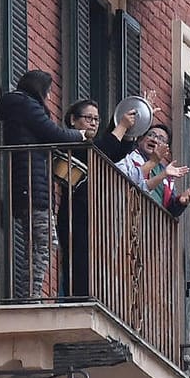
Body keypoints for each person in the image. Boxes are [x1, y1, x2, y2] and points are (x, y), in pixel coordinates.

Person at [0, 71, 90, 298]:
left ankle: (29, 293)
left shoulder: (21, 106)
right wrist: (80, 136)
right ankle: (30, 295)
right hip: (32, 188)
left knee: (37, 243)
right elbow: (54, 133)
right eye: (47, 91)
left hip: (30, 185)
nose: (48, 97)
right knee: (45, 243)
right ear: (40, 88)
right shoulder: (27, 105)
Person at [56, 98, 153, 295]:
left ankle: (92, 296)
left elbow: (114, 154)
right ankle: (77, 299)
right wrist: (122, 126)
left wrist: (129, 132)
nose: (93, 122)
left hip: (95, 211)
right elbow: (100, 152)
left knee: (96, 261)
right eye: (88, 118)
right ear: (73, 120)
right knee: (78, 261)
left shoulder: (91, 144)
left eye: (96, 119)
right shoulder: (71, 140)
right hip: (76, 212)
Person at [118, 124, 190, 214]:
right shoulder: (128, 157)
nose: (154, 140)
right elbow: (123, 182)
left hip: (152, 224)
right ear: (140, 139)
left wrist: (180, 202)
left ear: (166, 149)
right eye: (150, 135)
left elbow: (170, 210)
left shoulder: (166, 173)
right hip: (128, 216)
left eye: (161, 139)